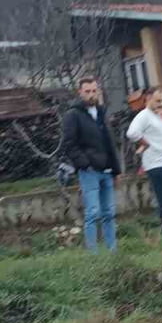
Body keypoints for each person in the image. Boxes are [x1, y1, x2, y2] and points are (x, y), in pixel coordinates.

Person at [62, 76, 122, 251]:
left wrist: (116, 170)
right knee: (93, 213)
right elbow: (69, 144)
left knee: (109, 213)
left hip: (107, 170)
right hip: (89, 171)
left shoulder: (101, 113)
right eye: (87, 91)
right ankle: (93, 253)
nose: (91, 94)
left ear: (98, 92)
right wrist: (85, 164)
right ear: (80, 92)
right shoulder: (73, 115)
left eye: (94, 91)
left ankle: (112, 251)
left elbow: (109, 143)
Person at [126, 86, 162, 237]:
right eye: (158, 101)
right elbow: (132, 133)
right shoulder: (144, 116)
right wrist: (145, 144)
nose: (161, 104)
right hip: (157, 163)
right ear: (148, 98)